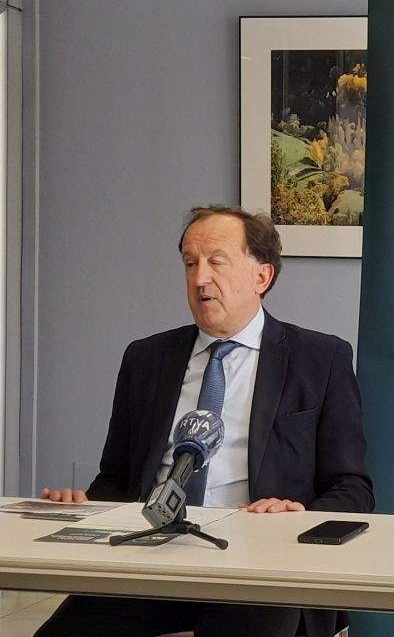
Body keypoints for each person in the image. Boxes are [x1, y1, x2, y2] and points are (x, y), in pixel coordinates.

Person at [36, 206, 373, 637]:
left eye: (216, 261)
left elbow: (352, 488)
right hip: (149, 556)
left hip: (260, 567)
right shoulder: (146, 358)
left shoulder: (320, 359)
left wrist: (299, 514)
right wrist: (84, 507)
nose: (199, 279)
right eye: (190, 263)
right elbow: (117, 480)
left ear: (262, 276)